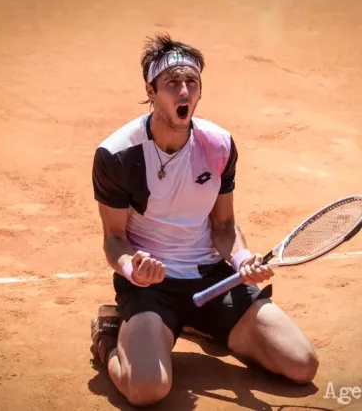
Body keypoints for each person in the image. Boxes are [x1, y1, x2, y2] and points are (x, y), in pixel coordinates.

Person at [90, 33, 319, 407]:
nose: (184, 91)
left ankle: (203, 323)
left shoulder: (219, 145)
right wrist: (134, 268)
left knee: (301, 365)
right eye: (172, 83)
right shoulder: (117, 154)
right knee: (147, 390)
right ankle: (109, 339)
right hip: (153, 286)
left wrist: (242, 260)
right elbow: (114, 239)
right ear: (150, 89)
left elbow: (224, 226)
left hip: (214, 279)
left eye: (191, 82)